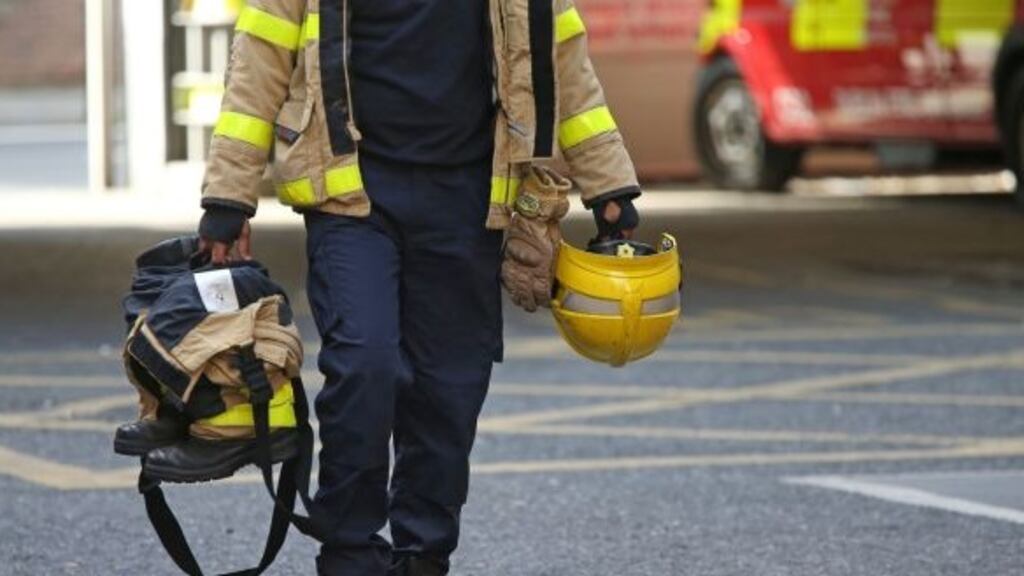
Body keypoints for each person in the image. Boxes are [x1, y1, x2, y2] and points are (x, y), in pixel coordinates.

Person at [196, 0, 642, 574]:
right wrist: (228, 196)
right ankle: (351, 550)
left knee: (448, 389)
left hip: (467, 199)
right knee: (364, 365)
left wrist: (609, 185)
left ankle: (424, 554)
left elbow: (563, 62)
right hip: (352, 197)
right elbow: (258, 62)